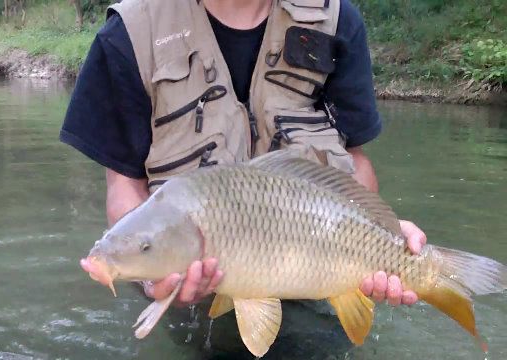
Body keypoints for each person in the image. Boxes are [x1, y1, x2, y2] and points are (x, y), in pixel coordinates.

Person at [61, 0, 427, 354]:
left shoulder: (337, 21)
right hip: (193, 309)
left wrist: (384, 235)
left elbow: (354, 161)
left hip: (318, 287)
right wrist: (150, 281)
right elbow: (124, 184)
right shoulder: (128, 34)